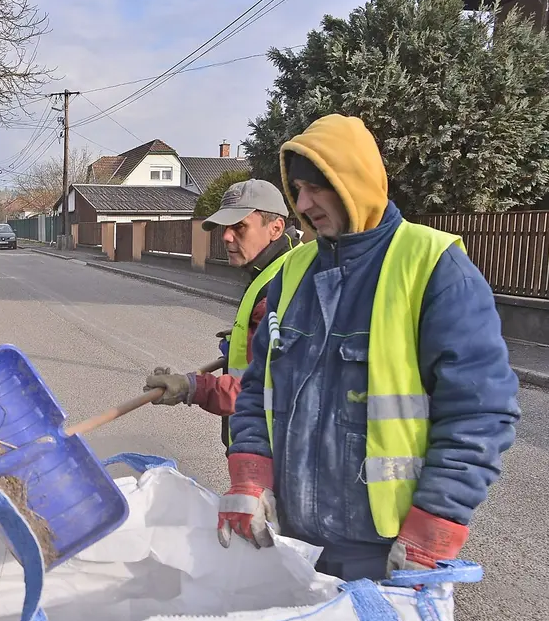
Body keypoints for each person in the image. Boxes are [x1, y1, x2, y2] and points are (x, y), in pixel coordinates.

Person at [217, 114, 520, 581]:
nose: (303, 203)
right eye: (297, 189)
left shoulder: (434, 268)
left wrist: (435, 522)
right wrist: (250, 475)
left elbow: (480, 412)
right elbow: (259, 388)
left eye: (317, 187)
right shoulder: (292, 274)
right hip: (293, 540)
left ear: (354, 181)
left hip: (386, 551)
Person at [144, 179, 301, 446]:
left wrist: (190, 387)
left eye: (240, 226)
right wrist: (247, 338)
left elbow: (259, 391)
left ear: (275, 228)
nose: (226, 236)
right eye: (226, 227)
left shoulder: (280, 288)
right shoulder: (278, 268)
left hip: (269, 454)